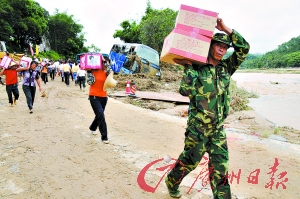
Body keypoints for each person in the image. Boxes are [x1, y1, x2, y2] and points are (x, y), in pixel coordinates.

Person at [165, 17, 250, 198]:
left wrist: (226, 28)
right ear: (210, 45)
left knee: (220, 168)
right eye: (218, 45)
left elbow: (244, 49)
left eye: (225, 47)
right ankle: (172, 180)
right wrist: (188, 66)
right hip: (198, 128)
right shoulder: (197, 67)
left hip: (218, 128)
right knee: (189, 161)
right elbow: (185, 90)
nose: (222, 49)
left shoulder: (226, 67)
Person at [88, 56, 109, 144]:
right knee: (100, 114)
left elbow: (112, 73)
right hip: (94, 96)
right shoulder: (92, 71)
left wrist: (106, 62)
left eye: (106, 62)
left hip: (104, 97)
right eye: (103, 62)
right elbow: (89, 82)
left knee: (99, 115)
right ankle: (104, 137)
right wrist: (89, 71)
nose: (104, 64)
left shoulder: (107, 72)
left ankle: (93, 127)